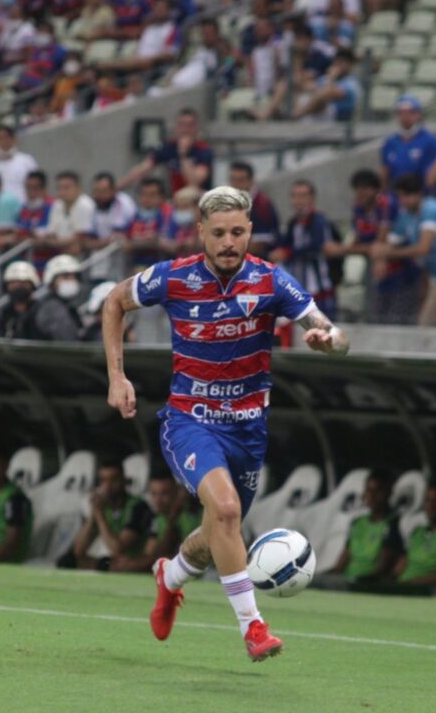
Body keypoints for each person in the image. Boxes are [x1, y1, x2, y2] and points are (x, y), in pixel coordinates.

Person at [102, 185, 350, 661]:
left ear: (250, 231)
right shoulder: (172, 278)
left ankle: (170, 577)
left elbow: (333, 331)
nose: (229, 242)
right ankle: (254, 628)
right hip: (189, 420)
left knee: (216, 532)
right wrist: (117, 376)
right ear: (201, 233)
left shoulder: (271, 281)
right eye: (219, 233)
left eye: (238, 232)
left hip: (248, 430)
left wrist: (329, 338)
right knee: (228, 511)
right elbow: (114, 302)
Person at [376, 173, 436, 328]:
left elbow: (423, 248)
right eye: (400, 197)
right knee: (427, 325)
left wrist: (387, 254)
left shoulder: (431, 209)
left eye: (406, 196)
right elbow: (391, 242)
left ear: (419, 194)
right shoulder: (406, 214)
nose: (403, 201)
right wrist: (380, 258)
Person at [349, 169, 420, 325]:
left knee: (399, 319)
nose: (361, 193)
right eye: (358, 189)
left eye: (366, 188)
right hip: (378, 275)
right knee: (376, 317)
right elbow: (356, 242)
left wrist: (379, 254)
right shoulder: (358, 209)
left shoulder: (386, 204)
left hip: (401, 273)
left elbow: (382, 239)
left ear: (376, 190)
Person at [273, 180, 343, 320]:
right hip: (299, 291)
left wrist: (287, 253)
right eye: (295, 196)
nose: (299, 200)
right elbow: (284, 245)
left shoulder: (319, 220)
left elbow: (316, 246)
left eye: (303, 195)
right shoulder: (293, 223)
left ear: (312, 198)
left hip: (320, 291)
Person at [73, 461, 155, 572]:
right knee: (69, 561)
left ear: (124, 481)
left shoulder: (138, 507)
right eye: (103, 480)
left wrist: (99, 515)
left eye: (113, 479)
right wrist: (93, 515)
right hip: (114, 562)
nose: (108, 486)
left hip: (136, 563)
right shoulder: (103, 507)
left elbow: (117, 548)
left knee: (113, 565)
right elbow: (79, 551)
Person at [118, 108, 213, 194]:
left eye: (189, 125)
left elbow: (194, 183)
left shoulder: (203, 150)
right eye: (181, 125)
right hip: (175, 197)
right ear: (176, 127)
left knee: (188, 194)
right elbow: (142, 169)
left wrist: (184, 154)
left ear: (196, 127)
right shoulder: (170, 147)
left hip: (199, 198)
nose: (185, 130)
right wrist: (117, 187)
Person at [331, 471, 397, 590]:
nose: (372, 496)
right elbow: (342, 562)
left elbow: (382, 568)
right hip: (346, 580)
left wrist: (361, 582)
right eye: (368, 490)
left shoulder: (393, 524)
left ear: (388, 493)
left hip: (366, 584)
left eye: (377, 491)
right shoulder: (357, 523)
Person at [392, 481, 436, 589]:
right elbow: (400, 567)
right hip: (403, 587)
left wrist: (413, 583)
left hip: (425, 591)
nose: (431, 505)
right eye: (428, 500)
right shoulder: (417, 532)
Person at [83, 172, 137, 283]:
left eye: (104, 191)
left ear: (113, 190)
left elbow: (122, 238)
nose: (99, 195)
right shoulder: (90, 205)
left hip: (121, 259)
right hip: (97, 258)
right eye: (96, 191)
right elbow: (85, 241)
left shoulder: (124, 203)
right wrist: (103, 242)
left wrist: (107, 242)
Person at [380, 96, 436, 194]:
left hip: (421, 197)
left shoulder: (430, 141)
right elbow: (385, 171)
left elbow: (432, 175)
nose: (405, 117)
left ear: (418, 114)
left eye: (410, 113)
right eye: (401, 113)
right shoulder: (390, 142)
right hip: (396, 196)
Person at [290, 49, 362, 122]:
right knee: (300, 91)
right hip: (318, 112)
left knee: (323, 95)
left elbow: (328, 94)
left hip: (338, 117)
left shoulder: (352, 83)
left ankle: (297, 115)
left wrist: (331, 78)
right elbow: (310, 88)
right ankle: (287, 114)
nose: (338, 65)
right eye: (337, 61)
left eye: (342, 62)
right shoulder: (324, 78)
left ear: (350, 65)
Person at [143, 475, 202, 565]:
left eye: (164, 494)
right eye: (154, 494)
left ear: (176, 493)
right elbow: (155, 556)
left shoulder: (194, 514)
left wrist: (174, 517)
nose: (158, 500)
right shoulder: (157, 518)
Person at [228, 161, 279, 259]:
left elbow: (258, 245)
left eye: (241, 180)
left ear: (251, 181)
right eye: (233, 180)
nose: (236, 184)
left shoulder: (263, 205)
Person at [39, 170, 94, 255]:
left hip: (85, 255)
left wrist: (53, 243)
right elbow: (51, 232)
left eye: (67, 187)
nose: (62, 192)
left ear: (79, 188)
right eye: (59, 188)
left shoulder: (85, 204)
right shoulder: (57, 204)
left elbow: (80, 237)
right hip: (61, 253)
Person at [125, 178, 173, 270]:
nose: (146, 199)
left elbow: (160, 241)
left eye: (152, 195)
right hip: (137, 265)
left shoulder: (167, 215)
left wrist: (135, 244)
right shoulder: (136, 216)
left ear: (161, 197)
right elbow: (126, 241)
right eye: (143, 195)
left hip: (160, 267)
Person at [0, 260, 41, 339]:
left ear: (32, 285)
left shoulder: (42, 310)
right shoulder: (5, 313)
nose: (18, 287)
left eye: (23, 283)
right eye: (13, 283)